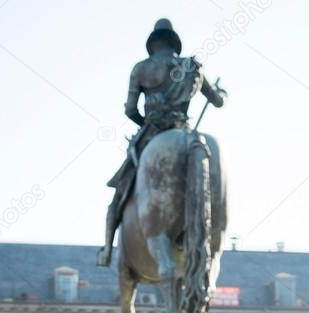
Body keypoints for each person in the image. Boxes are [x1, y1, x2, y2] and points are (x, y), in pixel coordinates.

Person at [96, 18, 226, 267]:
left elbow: (130, 110)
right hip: (186, 132)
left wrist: (145, 122)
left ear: (153, 44)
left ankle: (107, 252)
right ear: (174, 43)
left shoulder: (141, 68)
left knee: (119, 192)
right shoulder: (192, 67)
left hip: (151, 135)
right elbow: (218, 101)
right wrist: (223, 94)